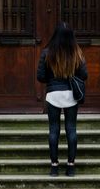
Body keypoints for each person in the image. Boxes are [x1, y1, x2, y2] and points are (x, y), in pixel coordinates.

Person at [36, 22, 88, 177]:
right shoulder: (77, 53)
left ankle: (54, 167)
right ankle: (71, 167)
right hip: (71, 95)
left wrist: (53, 79)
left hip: (53, 95)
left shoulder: (47, 53)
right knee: (71, 129)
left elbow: (40, 77)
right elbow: (84, 75)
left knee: (54, 130)